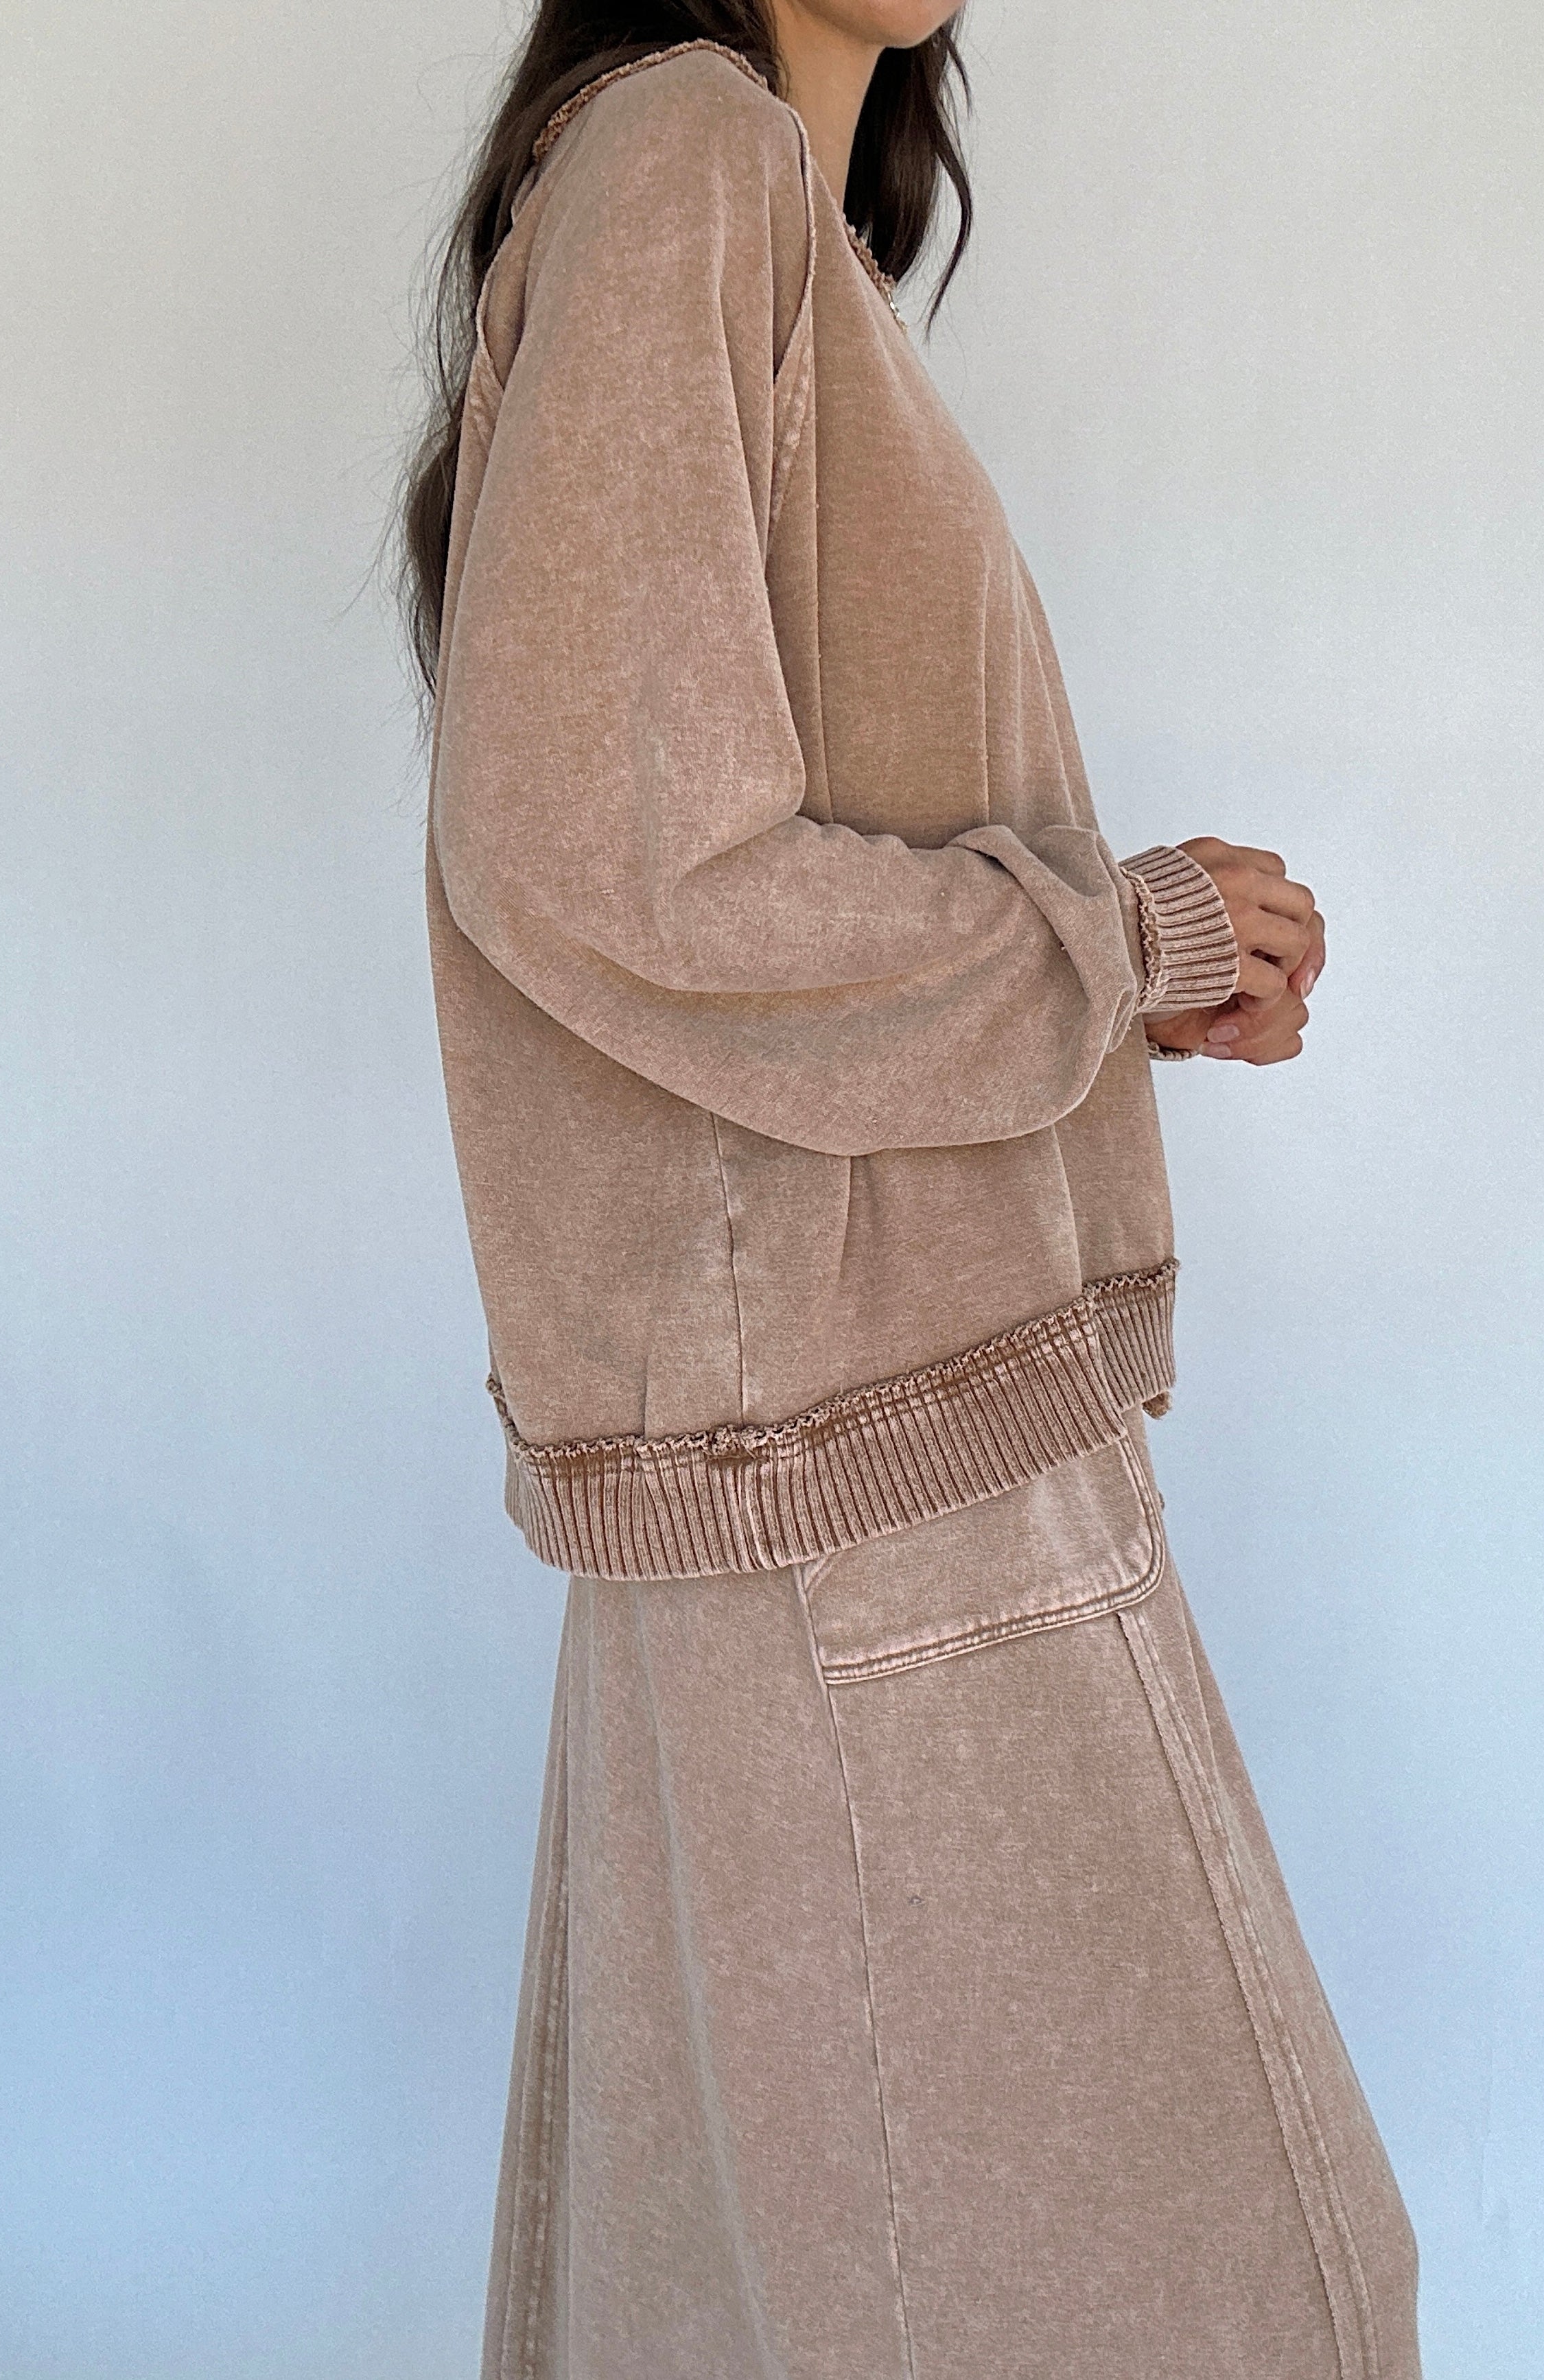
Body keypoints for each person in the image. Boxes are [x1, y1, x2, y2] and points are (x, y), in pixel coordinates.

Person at [400, 5, 1420, 2373]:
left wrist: (1103, 987)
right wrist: (1100, 940)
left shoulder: (764, 213)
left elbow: (674, 856)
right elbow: (590, 850)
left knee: (763, 2284)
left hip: (847, 1415)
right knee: (1214, 2288)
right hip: (851, 1450)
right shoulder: (685, 162)